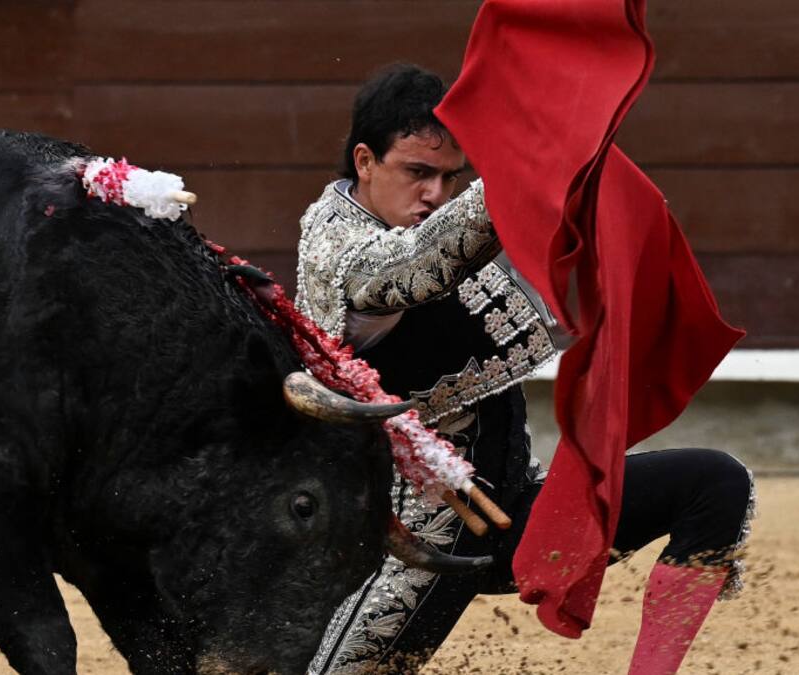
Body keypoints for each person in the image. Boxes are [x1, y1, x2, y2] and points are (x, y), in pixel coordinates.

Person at [295, 64, 756, 675]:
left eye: (449, 177)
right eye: (417, 172)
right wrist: (527, 160)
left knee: (716, 483)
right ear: (364, 161)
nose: (435, 193)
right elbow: (411, 269)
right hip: (405, 540)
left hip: (510, 518)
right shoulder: (338, 247)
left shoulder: (419, 221)